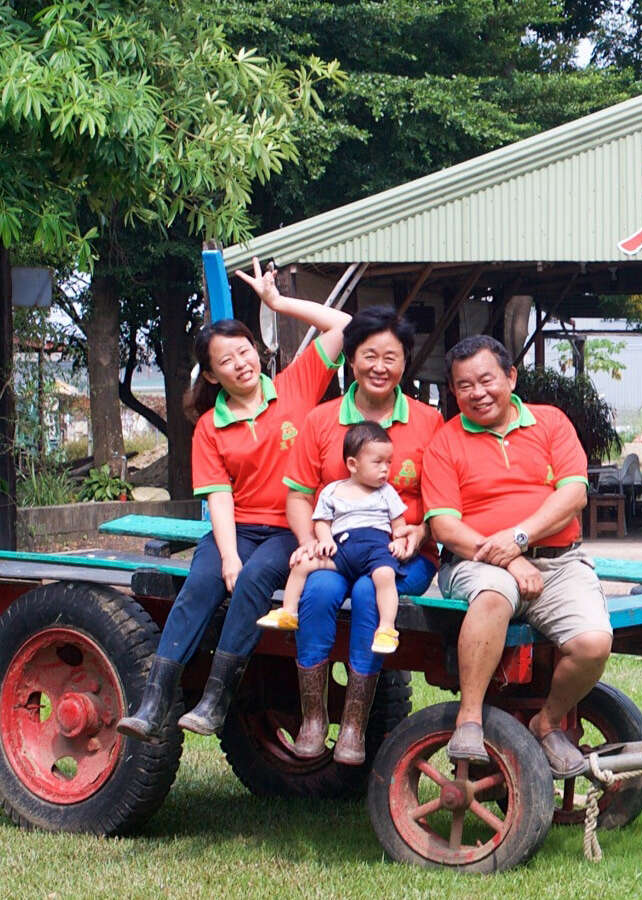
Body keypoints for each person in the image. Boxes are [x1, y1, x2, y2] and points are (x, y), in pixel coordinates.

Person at [117, 259, 351, 742]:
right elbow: (220, 499)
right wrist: (226, 555)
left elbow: (342, 325)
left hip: (292, 527)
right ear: (211, 374)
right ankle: (154, 704)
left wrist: (277, 302)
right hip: (238, 527)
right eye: (227, 360)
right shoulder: (209, 427)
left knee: (253, 579)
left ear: (257, 351)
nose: (241, 363)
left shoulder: (294, 386)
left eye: (245, 351)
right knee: (200, 584)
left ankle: (215, 701)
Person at [424, 335, 608, 777]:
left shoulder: (550, 423)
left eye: (486, 380)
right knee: (493, 594)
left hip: (559, 562)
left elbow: (574, 494)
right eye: (464, 385)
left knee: (593, 644)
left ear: (510, 377)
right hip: (474, 563)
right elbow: (445, 527)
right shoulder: (445, 442)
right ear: (453, 391)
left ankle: (547, 723)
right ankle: (469, 720)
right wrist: (508, 557)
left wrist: (519, 538)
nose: (477, 393)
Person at [285, 306, 445, 765]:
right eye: (369, 355)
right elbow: (298, 495)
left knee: (368, 594)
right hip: (337, 551)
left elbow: (443, 501)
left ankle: (354, 725)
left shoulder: (428, 422)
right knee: (318, 590)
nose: (379, 367)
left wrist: (421, 530)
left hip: (403, 556)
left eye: (391, 357)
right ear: (350, 358)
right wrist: (310, 541)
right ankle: (313, 718)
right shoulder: (321, 420)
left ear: (405, 362)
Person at [262, 422, 410, 660]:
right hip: (343, 550)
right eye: (378, 462)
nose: (385, 469)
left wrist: (399, 542)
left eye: (389, 462)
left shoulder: (386, 492)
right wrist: (325, 540)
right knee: (302, 564)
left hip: (376, 550)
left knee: (385, 576)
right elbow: (322, 521)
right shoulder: (332, 491)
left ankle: (386, 629)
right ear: (352, 464)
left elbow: (398, 522)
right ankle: (288, 611)